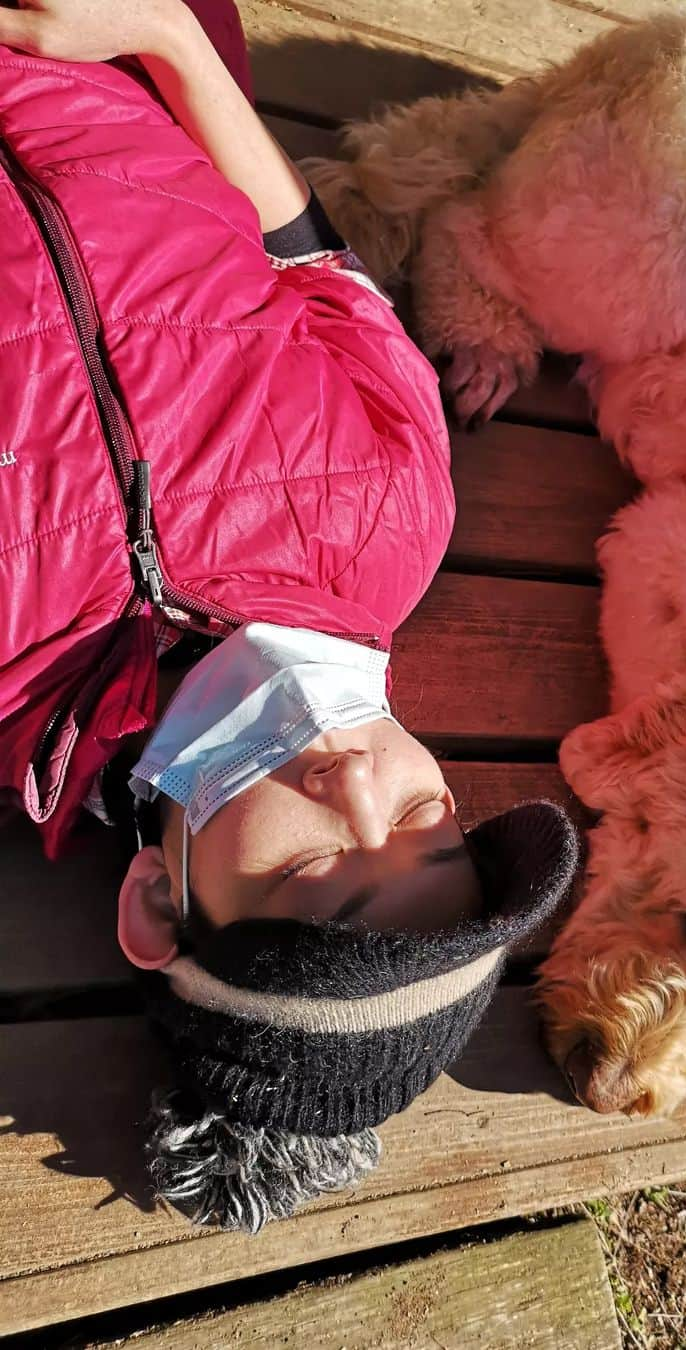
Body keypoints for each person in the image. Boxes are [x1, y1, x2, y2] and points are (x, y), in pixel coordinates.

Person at [0, 0, 578, 1232]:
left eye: (321, 867)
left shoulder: (13, 679)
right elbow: (305, 261)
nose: (358, 785)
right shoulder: (398, 511)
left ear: (161, 905)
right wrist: (168, 40)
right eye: (430, 822)